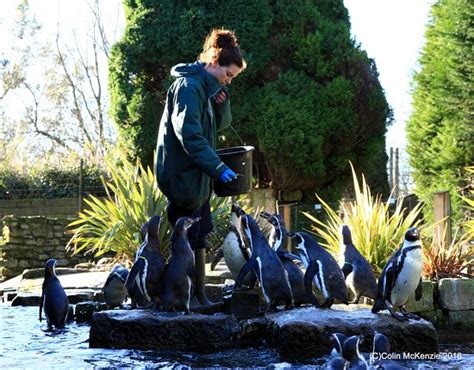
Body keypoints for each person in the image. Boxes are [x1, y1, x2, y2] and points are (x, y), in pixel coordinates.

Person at [156, 28, 246, 306]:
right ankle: (182, 298)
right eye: (228, 74)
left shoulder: (205, 89)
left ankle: (200, 295)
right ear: (214, 62)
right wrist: (219, 168)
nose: (228, 81)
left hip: (198, 175)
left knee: (201, 230)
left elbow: (217, 126)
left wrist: (221, 106)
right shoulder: (189, 88)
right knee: (186, 234)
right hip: (183, 175)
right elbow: (190, 136)